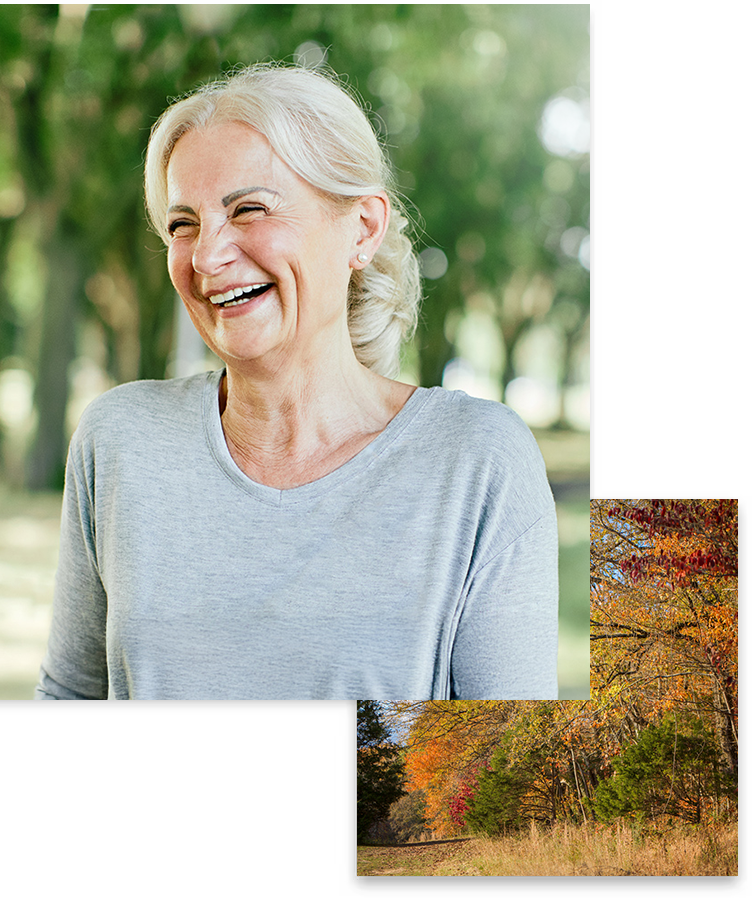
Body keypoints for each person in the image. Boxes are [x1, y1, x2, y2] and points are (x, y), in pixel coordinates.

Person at [34, 62, 558, 700]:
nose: (205, 256)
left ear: (362, 227)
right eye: (182, 224)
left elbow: (507, 778)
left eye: (249, 209)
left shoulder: (478, 462)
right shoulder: (119, 440)